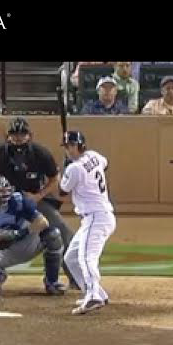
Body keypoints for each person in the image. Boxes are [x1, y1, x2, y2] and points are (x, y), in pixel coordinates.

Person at [0, 117, 77, 289]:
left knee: (62, 231)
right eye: (14, 134)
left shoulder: (40, 153)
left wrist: (38, 196)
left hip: (33, 200)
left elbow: (54, 179)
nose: (18, 138)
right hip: (5, 203)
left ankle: (73, 277)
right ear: (7, 136)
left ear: (29, 135)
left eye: (22, 134)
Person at [0, 175, 65, 296]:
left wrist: (17, 234)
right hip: (0, 252)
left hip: (25, 243)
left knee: (53, 235)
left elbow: (43, 222)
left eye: (2, 191)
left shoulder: (19, 201)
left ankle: (52, 282)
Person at [59, 131, 117, 315]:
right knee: (71, 258)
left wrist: (66, 171)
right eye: (66, 147)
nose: (68, 150)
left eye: (71, 146)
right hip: (98, 217)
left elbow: (62, 190)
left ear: (80, 145)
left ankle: (93, 297)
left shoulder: (74, 168)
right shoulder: (94, 156)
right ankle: (97, 293)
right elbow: (105, 164)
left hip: (95, 217)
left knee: (86, 258)